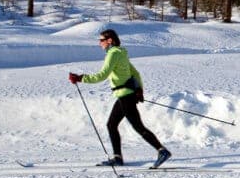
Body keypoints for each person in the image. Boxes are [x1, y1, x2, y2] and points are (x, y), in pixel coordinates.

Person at [69, 29, 171, 168]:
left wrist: (81, 78)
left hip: (125, 96)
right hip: (126, 95)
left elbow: (102, 75)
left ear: (109, 40)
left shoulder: (113, 54)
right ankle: (118, 157)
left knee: (137, 126)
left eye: (101, 40)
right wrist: (139, 90)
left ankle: (162, 151)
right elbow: (135, 73)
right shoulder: (121, 53)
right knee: (112, 125)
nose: (99, 43)